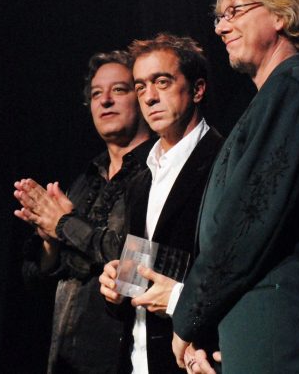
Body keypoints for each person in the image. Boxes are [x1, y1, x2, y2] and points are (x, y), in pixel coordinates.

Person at [171, 0, 299, 373]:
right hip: (262, 324)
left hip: (286, 324)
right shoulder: (277, 96)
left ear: (281, 15)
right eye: (219, 17)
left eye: (234, 11)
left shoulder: (295, 88)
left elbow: (249, 218)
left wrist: (190, 318)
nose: (221, 27)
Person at [14, 50, 152, 373]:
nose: (105, 101)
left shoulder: (155, 172)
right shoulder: (86, 179)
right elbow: (37, 285)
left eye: (119, 90)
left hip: (124, 360)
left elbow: (138, 267)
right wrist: (49, 241)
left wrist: (65, 224)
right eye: (96, 94)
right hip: (65, 361)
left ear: (141, 97)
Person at [97, 34, 223, 374]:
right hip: (137, 360)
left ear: (197, 89)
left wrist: (180, 298)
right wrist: (115, 289)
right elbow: (135, 279)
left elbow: (234, 271)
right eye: (140, 87)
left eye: (162, 82)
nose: (149, 96)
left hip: (195, 359)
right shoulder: (141, 175)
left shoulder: (223, 162)